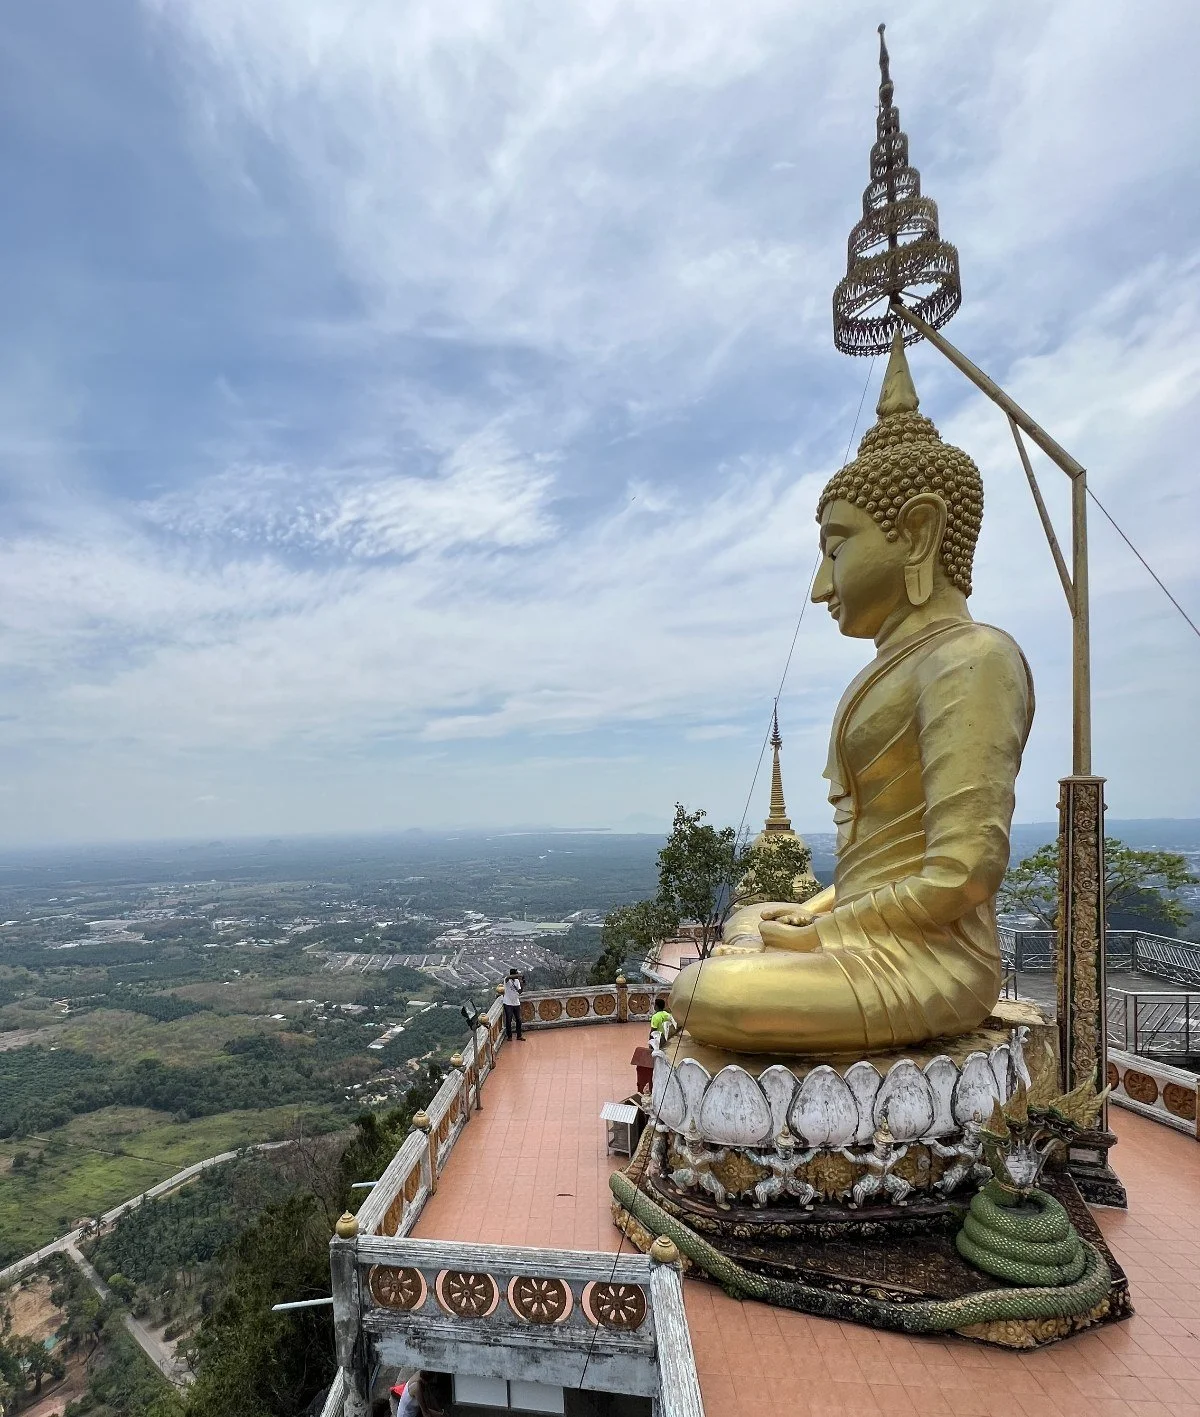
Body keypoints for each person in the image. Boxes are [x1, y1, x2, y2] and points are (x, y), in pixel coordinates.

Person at [502, 966, 525, 1041]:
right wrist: (519, 975)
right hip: (508, 1002)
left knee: (518, 1019)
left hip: (516, 1002)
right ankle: (509, 1036)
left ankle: (519, 1035)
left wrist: (522, 984)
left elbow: (520, 992)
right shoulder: (507, 980)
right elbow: (508, 977)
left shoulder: (517, 981)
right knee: (509, 1020)